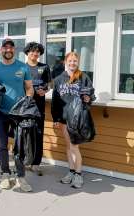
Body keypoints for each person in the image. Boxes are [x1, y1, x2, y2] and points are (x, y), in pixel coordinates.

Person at [0, 39, 34, 192]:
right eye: (5, 47)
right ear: (1, 49)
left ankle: (20, 177)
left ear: (14, 50)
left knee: (20, 146)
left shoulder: (23, 67)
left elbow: (29, 88)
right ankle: (5, 174)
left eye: (11, 47)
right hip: (0, 112)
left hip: (19, 114)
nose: (8, 50)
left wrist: (27, 102)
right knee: (2, 145)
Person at [51, 52, 94, 189]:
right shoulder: (58, 80)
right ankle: (71, 171)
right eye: (70, 61)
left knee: (75, 146)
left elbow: (91, 95)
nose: (72, 63)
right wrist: (56, 118)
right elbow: (55, 101)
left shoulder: (83, 77)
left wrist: (89, 99)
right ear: (65, 62)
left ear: (78, 62)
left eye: (75, 61)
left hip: (78, 119)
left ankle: (78, 173)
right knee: (69, 146)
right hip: (64, 118)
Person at [23, 42, 51, 176]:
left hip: (39, 107)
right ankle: (24, 161)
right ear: (27, 52)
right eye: (32, 51)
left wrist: (44, 90)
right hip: (25, 106)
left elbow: (49, 84)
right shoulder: (21, 68)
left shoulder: (44, 67)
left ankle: (35, 164)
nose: (35, 54)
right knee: (24, 134)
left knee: (38, 134)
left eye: (37, 52)